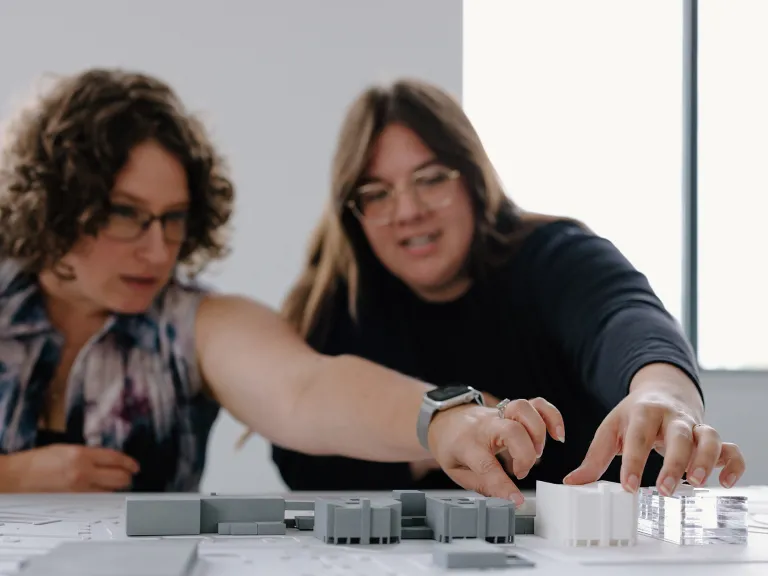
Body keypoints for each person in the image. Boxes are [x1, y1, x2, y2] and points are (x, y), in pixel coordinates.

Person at [0, 68, 554, 501]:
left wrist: (446, 420)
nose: (158, 247)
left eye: (173, 218)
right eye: (127, 214)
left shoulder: (190, 322)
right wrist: (12, 478)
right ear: (57, 207)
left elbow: (306, 388)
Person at [271, 79, 745, 497]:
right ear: (354, 213)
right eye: (377, 194)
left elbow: (625, 320)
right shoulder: (337, 305)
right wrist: (448, 434)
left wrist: (663, 393)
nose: (408, 210)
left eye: (431, 179)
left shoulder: (554, 256)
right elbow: (302, 462)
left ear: (474, 180)